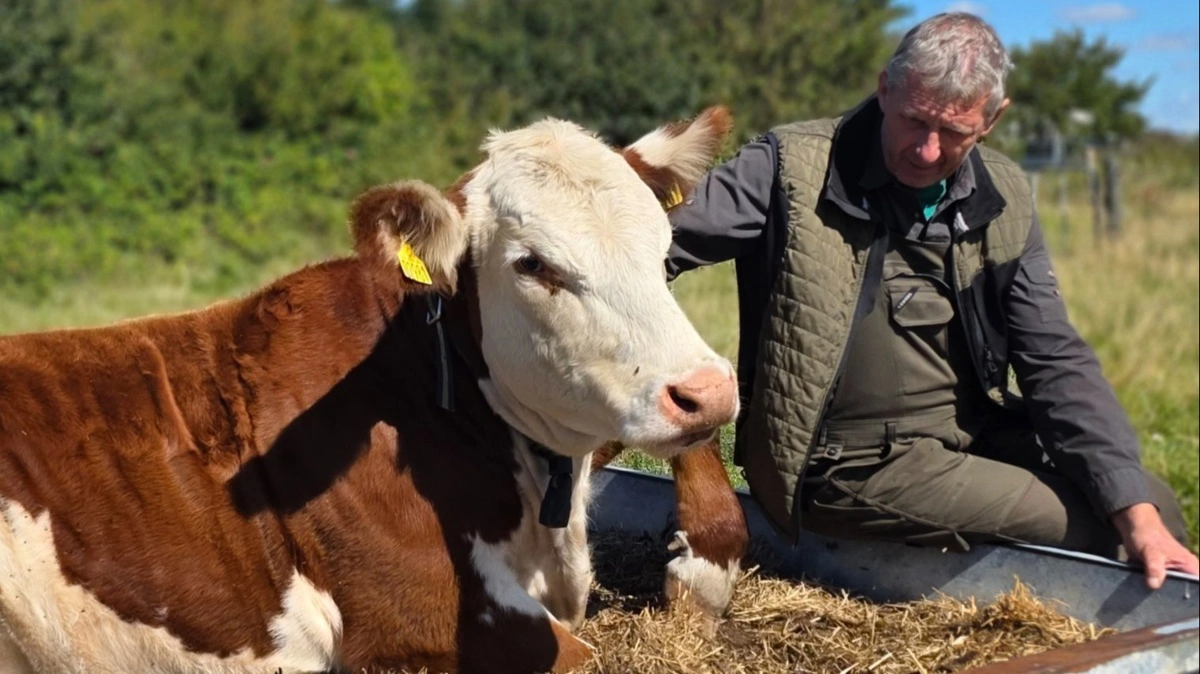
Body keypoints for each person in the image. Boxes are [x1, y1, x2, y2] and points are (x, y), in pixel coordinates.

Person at [665, 12, 1198, 589]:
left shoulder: (1005, 195)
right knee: (1104, 533)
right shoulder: (787, 167)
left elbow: (1055, 358)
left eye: (954, 133)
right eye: (914, 120)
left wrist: (1133, 508)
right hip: (849, 465)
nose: (925, 150)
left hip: (968, 440)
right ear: (884, 88)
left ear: (993, 119)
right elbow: (646, 249)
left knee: (1152, 507)